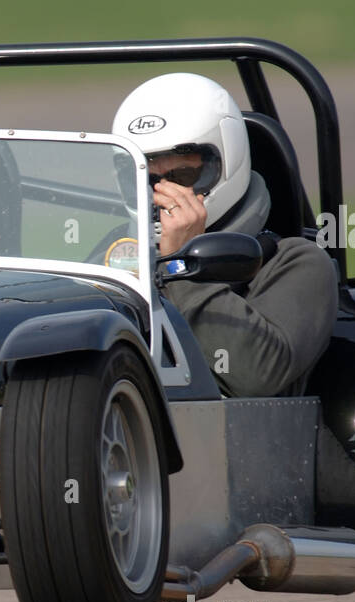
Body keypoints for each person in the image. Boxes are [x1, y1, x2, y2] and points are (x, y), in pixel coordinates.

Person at [112, 73, 338, 397]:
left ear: (226, 162)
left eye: (182, 176)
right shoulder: (112, 257)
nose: (162, 195)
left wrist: (181, 266)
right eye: (146, 179)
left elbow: (254, 376)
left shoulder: (296, 262)